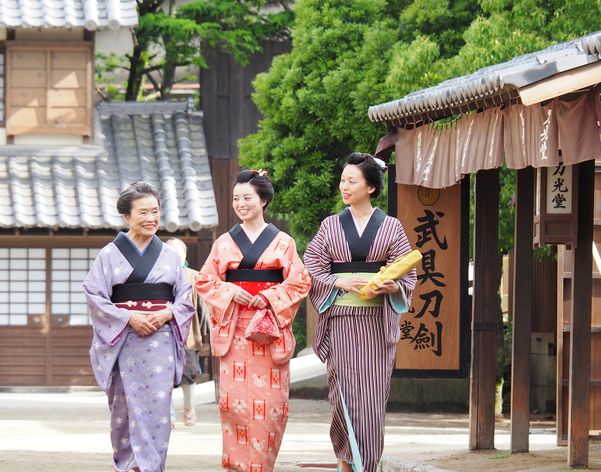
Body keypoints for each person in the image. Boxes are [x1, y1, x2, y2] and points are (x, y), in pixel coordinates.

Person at [304, 152, 417, 472]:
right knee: (342, 398)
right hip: (341, 320)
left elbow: (407, 274)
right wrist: (339, 280)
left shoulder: (391, 227)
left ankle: (366, 465)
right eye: (342, 180)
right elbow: (311, 269)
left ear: (370, 187)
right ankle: (345, 461)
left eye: (351, 181)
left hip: (375, 325)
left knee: (370, 401)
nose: (344, 186)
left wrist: (392, 288)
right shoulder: (330, 226)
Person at [196, 169, 311, 471]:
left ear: (263, 200)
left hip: (268, 329)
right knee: (233, 405)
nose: (240, 203)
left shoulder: (283, 242)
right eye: (236, 198)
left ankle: (262, 466)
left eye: (247, 197)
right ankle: (235, 466)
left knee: (270, 407)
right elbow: (205, 281)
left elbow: (300, 282)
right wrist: (231, 290)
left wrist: (270, 297)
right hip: (235, 329)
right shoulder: (224, 242)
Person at [83, 181, 194, 472]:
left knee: (158, 410)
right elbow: (95, 297)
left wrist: (167, 313)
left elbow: (185, 299)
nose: (151, 219)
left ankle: (151, 467)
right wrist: (129, 318)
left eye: (155, 212)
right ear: (127, 217)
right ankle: (128, 465)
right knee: (124, 408)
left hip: (161, 340)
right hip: (124, 341)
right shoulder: (109, 255)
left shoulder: (170, 255)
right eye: (143, 212)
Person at [165, 237, 211, 427]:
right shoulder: (157, 275)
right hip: (162, 334)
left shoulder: (194, 275)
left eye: (178, 252)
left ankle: (189, 410)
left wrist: (211, 331)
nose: (174, 256)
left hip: (187, 335)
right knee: (163, 378)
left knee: (188, 374)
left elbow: (206, 306)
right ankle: (168, 417)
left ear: (184, 254)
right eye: (170, 252)